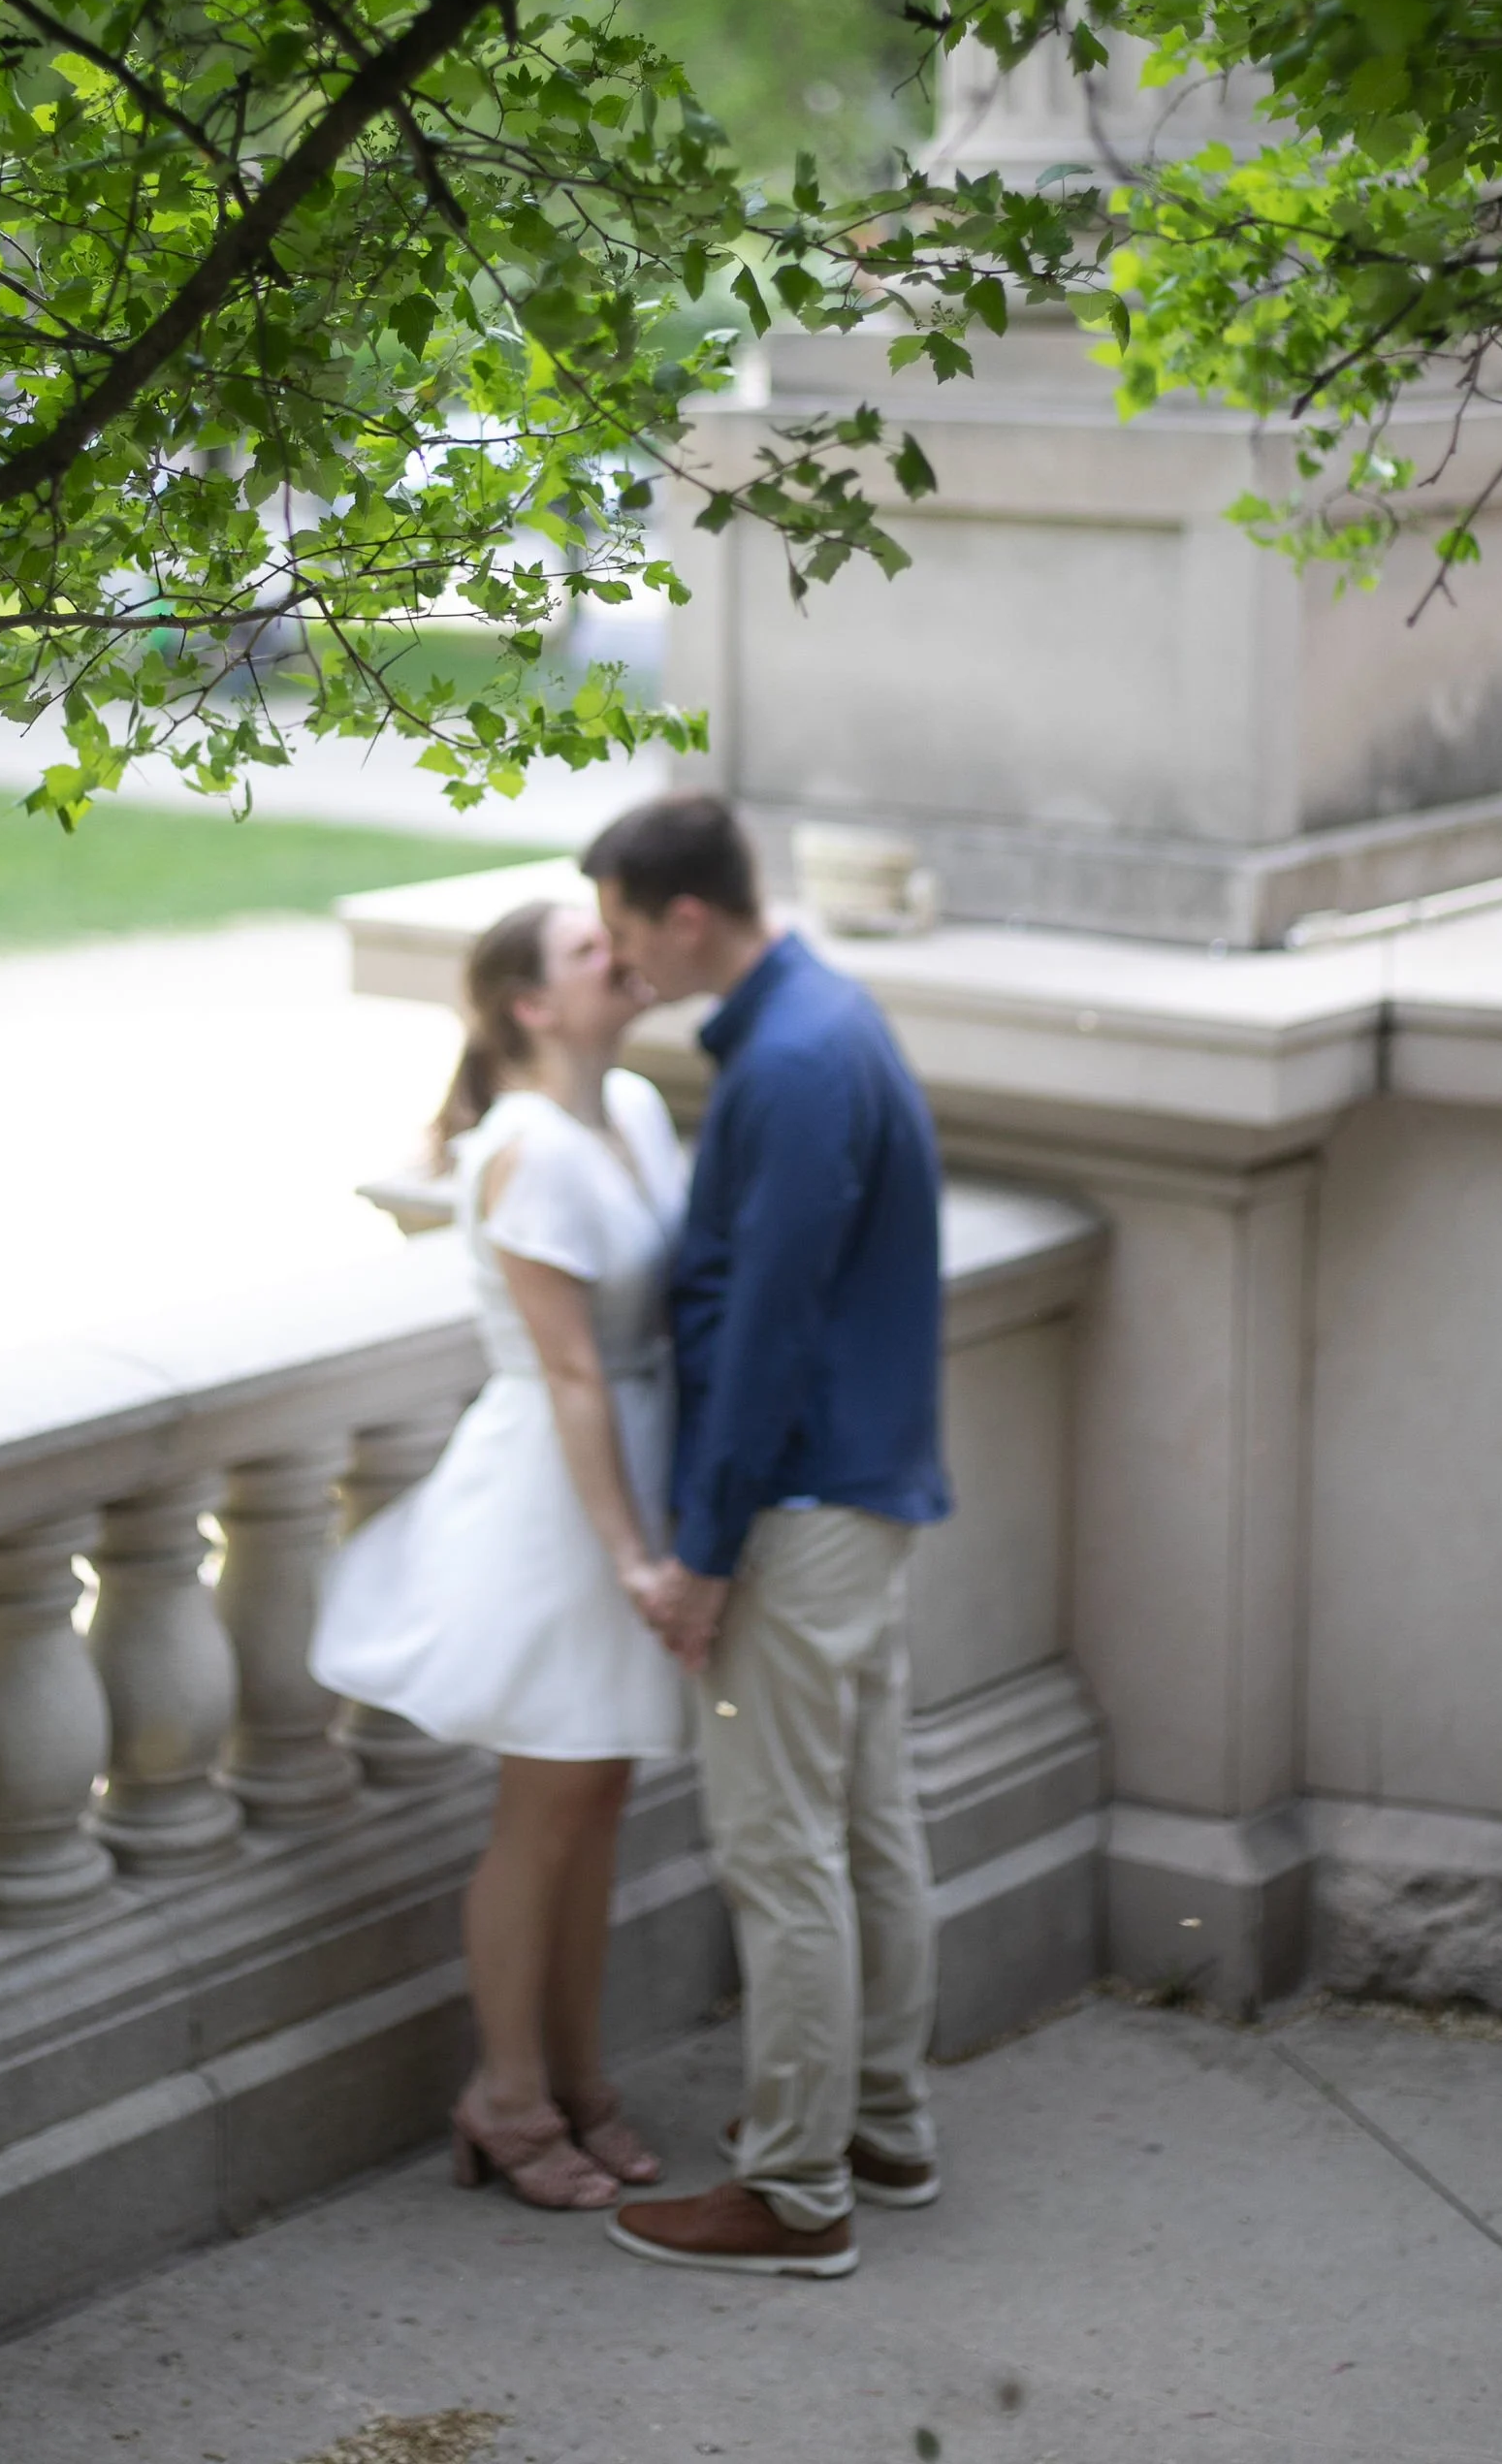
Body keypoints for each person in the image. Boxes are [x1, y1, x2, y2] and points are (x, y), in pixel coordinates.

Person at [577, 792, 948, 2283]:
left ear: (683, 916)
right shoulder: (825, 1020)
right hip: (862, 1494)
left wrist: (704, 1552)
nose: (618, 964)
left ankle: (796, 2194)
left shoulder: (790, 1065)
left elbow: (766, 1334)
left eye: (620, 932)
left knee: (781, 1850)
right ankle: (882, 2128)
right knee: (866, 1828)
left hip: (794, 1513)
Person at [310, 894, 690, 2214]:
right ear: (530, 1003)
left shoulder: (633, 1107)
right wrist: (637, 1555)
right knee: (544, 1811)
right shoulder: (523, 1148)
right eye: (594, 952)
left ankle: (582, 2083)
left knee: (600, 1798)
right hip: (559, 1500)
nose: (625, 957)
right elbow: (573, 1372)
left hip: (635, 1460)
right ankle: (507, 2093)